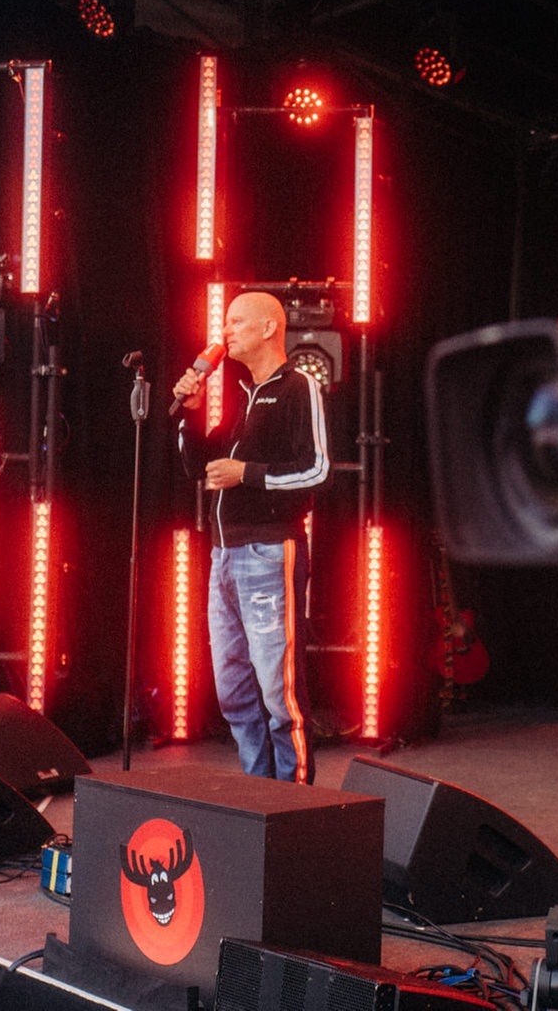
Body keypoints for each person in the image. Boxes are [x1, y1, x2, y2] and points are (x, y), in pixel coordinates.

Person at [174, 291, 330, 783]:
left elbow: (318, 471)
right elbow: (196, 465)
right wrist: (190, 412)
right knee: (233, 692)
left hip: (268, 550)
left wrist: (249, 473)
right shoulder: (242, 397)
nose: (226, 331)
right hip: (224, 555)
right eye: (225, 322)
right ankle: (257, 794)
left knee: (278, 693)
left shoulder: (297, 387)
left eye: (237, 321)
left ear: (269, 328)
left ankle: (294, 802)